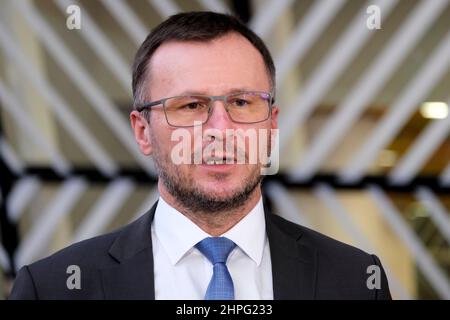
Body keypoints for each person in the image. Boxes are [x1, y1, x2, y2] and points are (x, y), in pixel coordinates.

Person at [9, 11, 391, 300]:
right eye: (191, 106)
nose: (219, 129)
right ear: (142, 131)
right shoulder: (53, 288)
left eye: (242, 102)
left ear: (272, 125)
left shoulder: (356, 282)